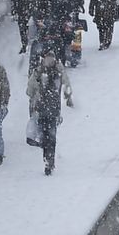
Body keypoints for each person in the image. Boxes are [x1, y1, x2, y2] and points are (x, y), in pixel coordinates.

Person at [27, 47, 72, 175]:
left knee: (49, 137)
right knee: (47, 137)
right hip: (45, 109)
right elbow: (30, 90)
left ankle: (49, 161)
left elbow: (29, 90)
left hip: (49, 110)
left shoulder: (51, 71)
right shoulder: (40, 72)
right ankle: (48, 159)